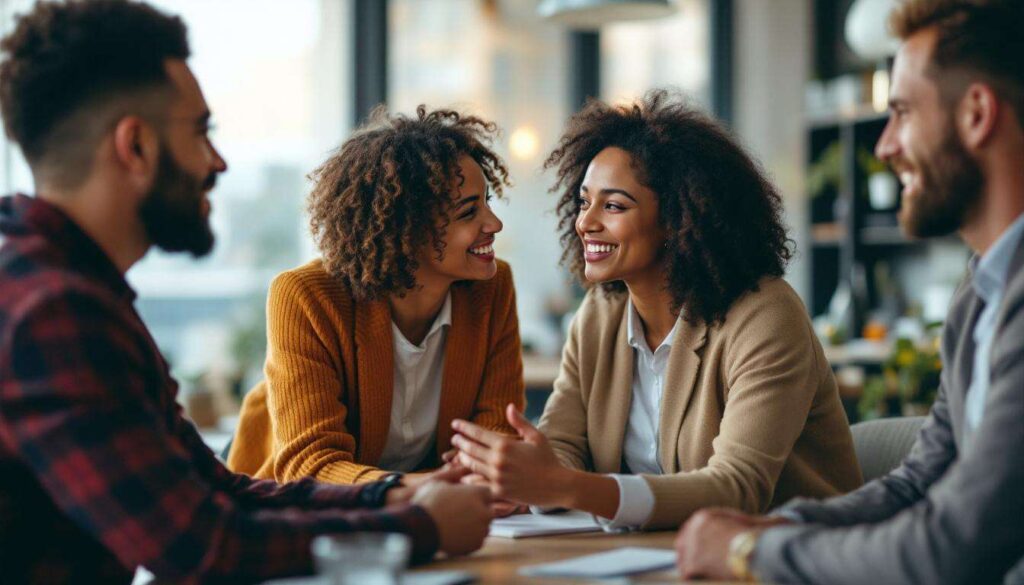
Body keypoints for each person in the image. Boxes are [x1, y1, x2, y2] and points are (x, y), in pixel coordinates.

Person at [0, 2, 491, 583]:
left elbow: (217, 490)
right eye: (200, 132)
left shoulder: (68, 290)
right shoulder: (51, 311)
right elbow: (200, 545)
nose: (218, 162)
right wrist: (420, 527)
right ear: (136, 147)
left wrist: (388, 496)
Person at [674, 1, 1024, 583]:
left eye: (902, 113)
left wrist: (750, 553)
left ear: (977, 115)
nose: (884, 146)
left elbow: (950, 547)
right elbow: (918, 482)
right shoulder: (979, 293)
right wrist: (777, 525)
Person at [450, 90, 862, 531]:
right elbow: (564, 444)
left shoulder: (765, 316)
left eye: (613, 206)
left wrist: (565, 486)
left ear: (679, 219)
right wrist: (529, 479)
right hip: (661, 552)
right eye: (584, 202)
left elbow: (738, 488)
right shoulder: (600, 314)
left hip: (794, 549)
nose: (585, 222)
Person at [226, 106, 526, 492]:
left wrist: (475, 481)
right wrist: (428, 488)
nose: (494, 224)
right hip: (290, 511)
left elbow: (497, 435)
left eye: (487, 201)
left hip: (431, 512)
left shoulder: (491, 288)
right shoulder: (305, 298)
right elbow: (310, 466)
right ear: (407, 229)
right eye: (469, 212)